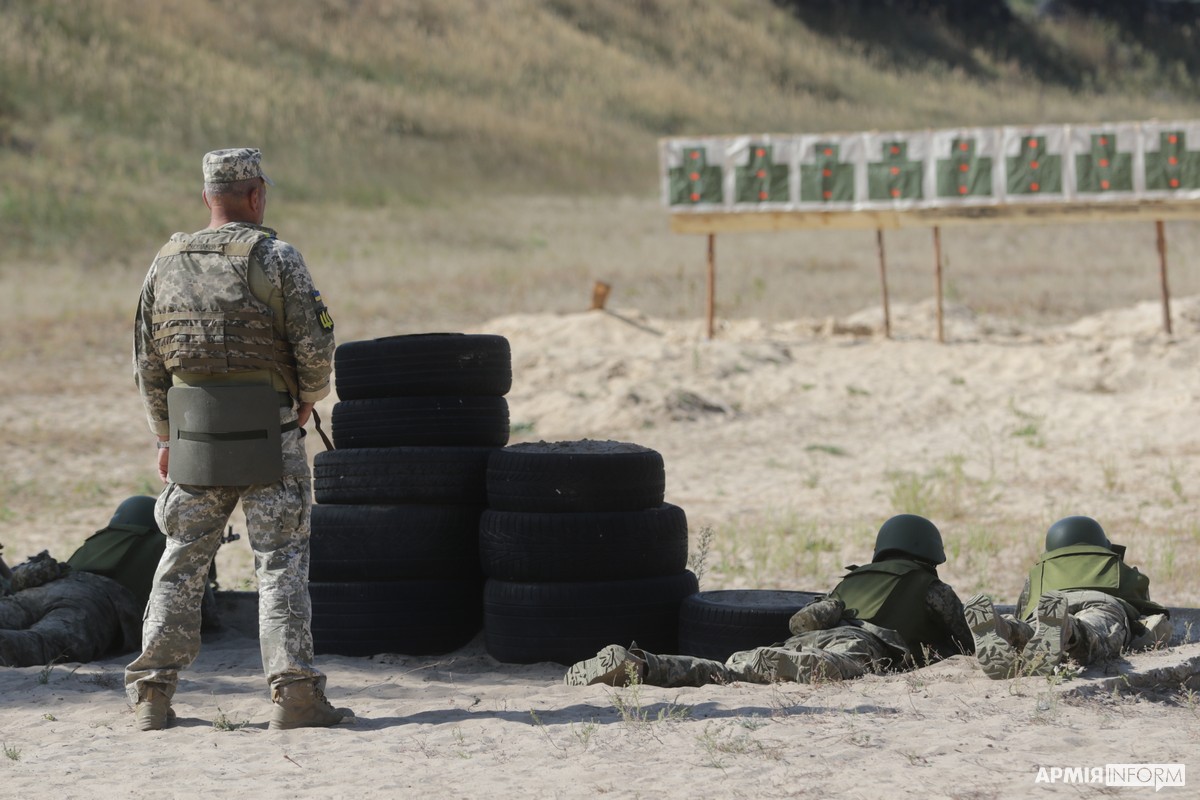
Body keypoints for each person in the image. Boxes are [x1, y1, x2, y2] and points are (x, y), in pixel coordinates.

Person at [125, 147, 349, 732]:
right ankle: (295, 695)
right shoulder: (276, 257)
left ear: (207, 198)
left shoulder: (164, 262)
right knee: (279, 561)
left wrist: (165, 434)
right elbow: (315, 344)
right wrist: (308, 398)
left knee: (181, 562)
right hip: (269, 434)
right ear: (257, 196)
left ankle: (151, 696)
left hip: (194, 435)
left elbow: (148, 361)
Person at [565, 514, 974, 687]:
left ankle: (643, 664)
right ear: (928, 550)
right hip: (861, 645)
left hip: (805, 641)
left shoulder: (852, 581)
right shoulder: (933, 589)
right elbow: (967, 643)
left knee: (729, 671)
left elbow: (805, 621)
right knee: (839, 669)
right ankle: (791, 666)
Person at [966, 515, 1172, 680]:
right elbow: (1143, 607)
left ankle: (1006, 629)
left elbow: (1023, 610)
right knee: (1094, 635)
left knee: (1034, 628)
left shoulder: (1039, 572)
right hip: (1101, 604)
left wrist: (1018, 621)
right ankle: (1067, 628)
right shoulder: (1117, 566)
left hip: (1048, 602)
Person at [1, 496, 165, 667]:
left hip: (50, 587)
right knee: (44, 644)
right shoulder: (165, 546)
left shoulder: (101, 538)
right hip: (96, 600)